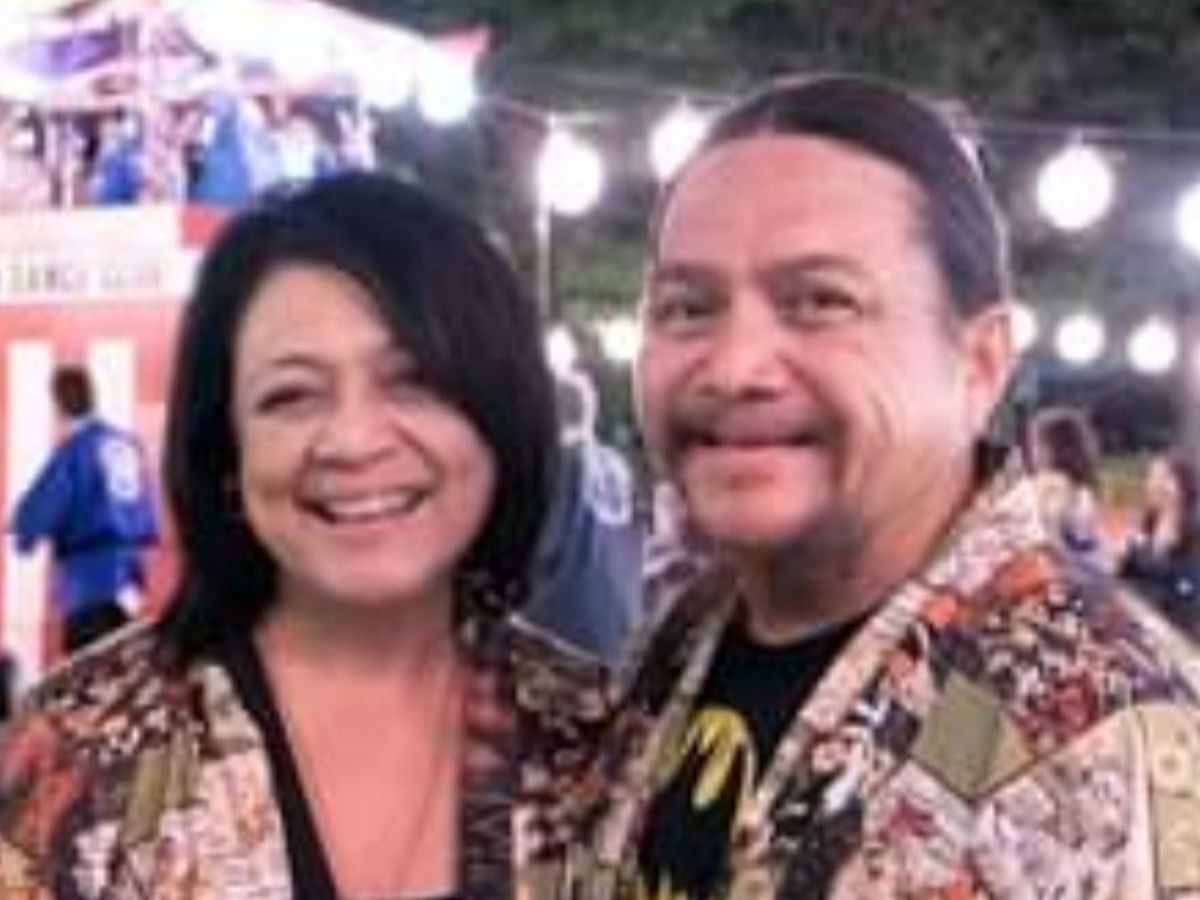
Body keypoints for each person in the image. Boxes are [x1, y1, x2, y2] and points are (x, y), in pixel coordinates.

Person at [556, 74, 1200, 899]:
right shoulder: (683, 636)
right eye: (687, 308)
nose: (734, 366)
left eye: (821, 301)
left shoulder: (1097, 729)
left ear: (980, 363)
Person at [0, 172, 608, 899]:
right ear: (229, 451)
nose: (352, 441)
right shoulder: (78, 747)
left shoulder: (601, 741)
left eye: (413, 381)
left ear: (497, 417)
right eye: (291, 395)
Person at [10, 365, 159, 653]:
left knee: (88, 666)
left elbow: (47, 501)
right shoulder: (126, 443)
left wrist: (22, 528)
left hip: (91, 579)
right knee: (122, 662)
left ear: (59, 404)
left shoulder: (78, 448)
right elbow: (145, 507)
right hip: (130, 576)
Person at [525, 367, 643, 662]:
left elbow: (545, 543)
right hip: (617, 622)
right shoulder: (618, 466)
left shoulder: (560, 461)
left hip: (562, 622)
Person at [1120, 448, 1200, 631]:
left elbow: (1187, 591)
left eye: (1164, 478)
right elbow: (1126, 575)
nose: (1154, 484)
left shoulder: (1194, 531)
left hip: (1179, 628)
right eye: (1152, 477)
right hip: (1145, 620)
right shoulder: (1147, 525)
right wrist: (1126, 557)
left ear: (1184, 485)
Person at [1029, 405, 1111, 572]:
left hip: (1077, 574)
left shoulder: (1053, 485)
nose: (1033, 452)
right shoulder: (1082, 487)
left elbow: (1050, 544)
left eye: (1037, 445)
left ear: (1054, 448)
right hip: (1095, 567)